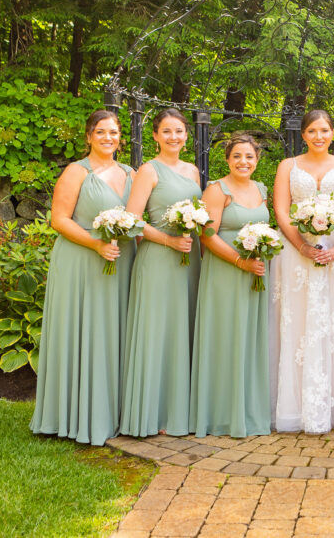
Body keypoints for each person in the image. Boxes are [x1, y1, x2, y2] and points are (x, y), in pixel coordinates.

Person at [31, 109, 136, 445]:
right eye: (101, 132)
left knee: (114, 334)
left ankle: (114, 413)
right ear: (89, 136)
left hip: (121, 260)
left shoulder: (131, 173)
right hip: (82, 259)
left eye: (114, 132)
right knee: (86, 331)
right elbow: (59, 220)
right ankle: (73, 416)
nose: (109, 138)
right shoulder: (77, 171)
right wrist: (95, 244)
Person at [270, 109, 334, 433]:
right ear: (303, 135)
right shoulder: (288, 166)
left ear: (332, 133)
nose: (319, 136)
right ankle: (298, 408)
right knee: (300, 321)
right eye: (312, 131)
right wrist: (300, 244)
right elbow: (282, 211)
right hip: (297, 253)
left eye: (324, 130)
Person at [120, 109, 201, 437]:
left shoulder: (193, 171)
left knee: (182, 329)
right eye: (166, 131)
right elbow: (132, 220)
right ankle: (151, 415)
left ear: (186, 136)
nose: (174, 137)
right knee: (158, 331)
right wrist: (168, 239)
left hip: (189, 258)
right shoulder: (148, 170)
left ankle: (180, 412)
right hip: (158, 258)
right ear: (155, 136)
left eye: (179, 131)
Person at [190, 133, 272, 437]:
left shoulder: (261, 189)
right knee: (225, 337)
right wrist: (240, 261)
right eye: (237, 156)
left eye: (249, 156)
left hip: (255, 272)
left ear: (257, 160)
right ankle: (221, 415)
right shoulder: (216, 190)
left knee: (248, 340)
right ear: (227, 159)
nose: (243, 161)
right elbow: (207, 236)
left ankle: (248, 412)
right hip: (226, 271)